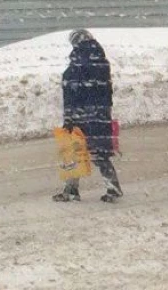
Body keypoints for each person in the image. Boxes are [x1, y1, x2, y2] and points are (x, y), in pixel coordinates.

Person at [53, 29, 123, 203]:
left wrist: (70, 116)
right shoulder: (101, 60)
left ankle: (71, 191)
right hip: (100, 113)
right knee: (100, 152)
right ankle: (112, 188)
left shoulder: (78, 61)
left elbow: (72, 91)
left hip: (80, 113)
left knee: (73, 151)